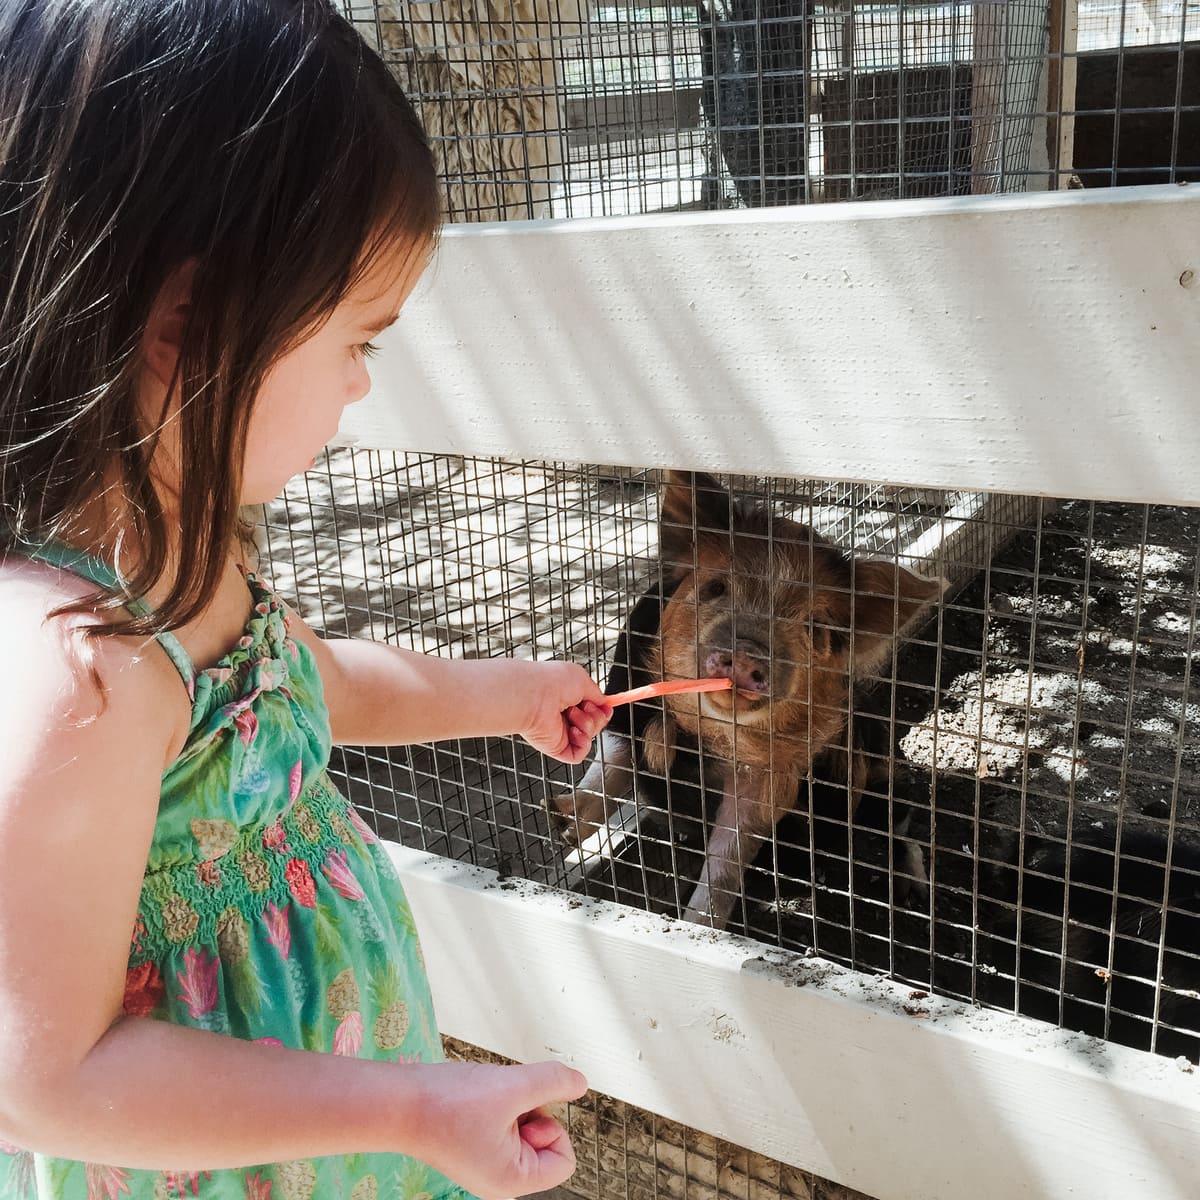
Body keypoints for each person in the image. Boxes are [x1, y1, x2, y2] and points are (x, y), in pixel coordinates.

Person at [0, 2, 613, 1198]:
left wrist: (509, 696)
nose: (362, 384)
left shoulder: (184, 558)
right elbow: (45, 1074)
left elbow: (308, 688)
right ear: (191, 326)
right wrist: (412, 1105)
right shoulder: (84, 671)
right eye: (357, 339)